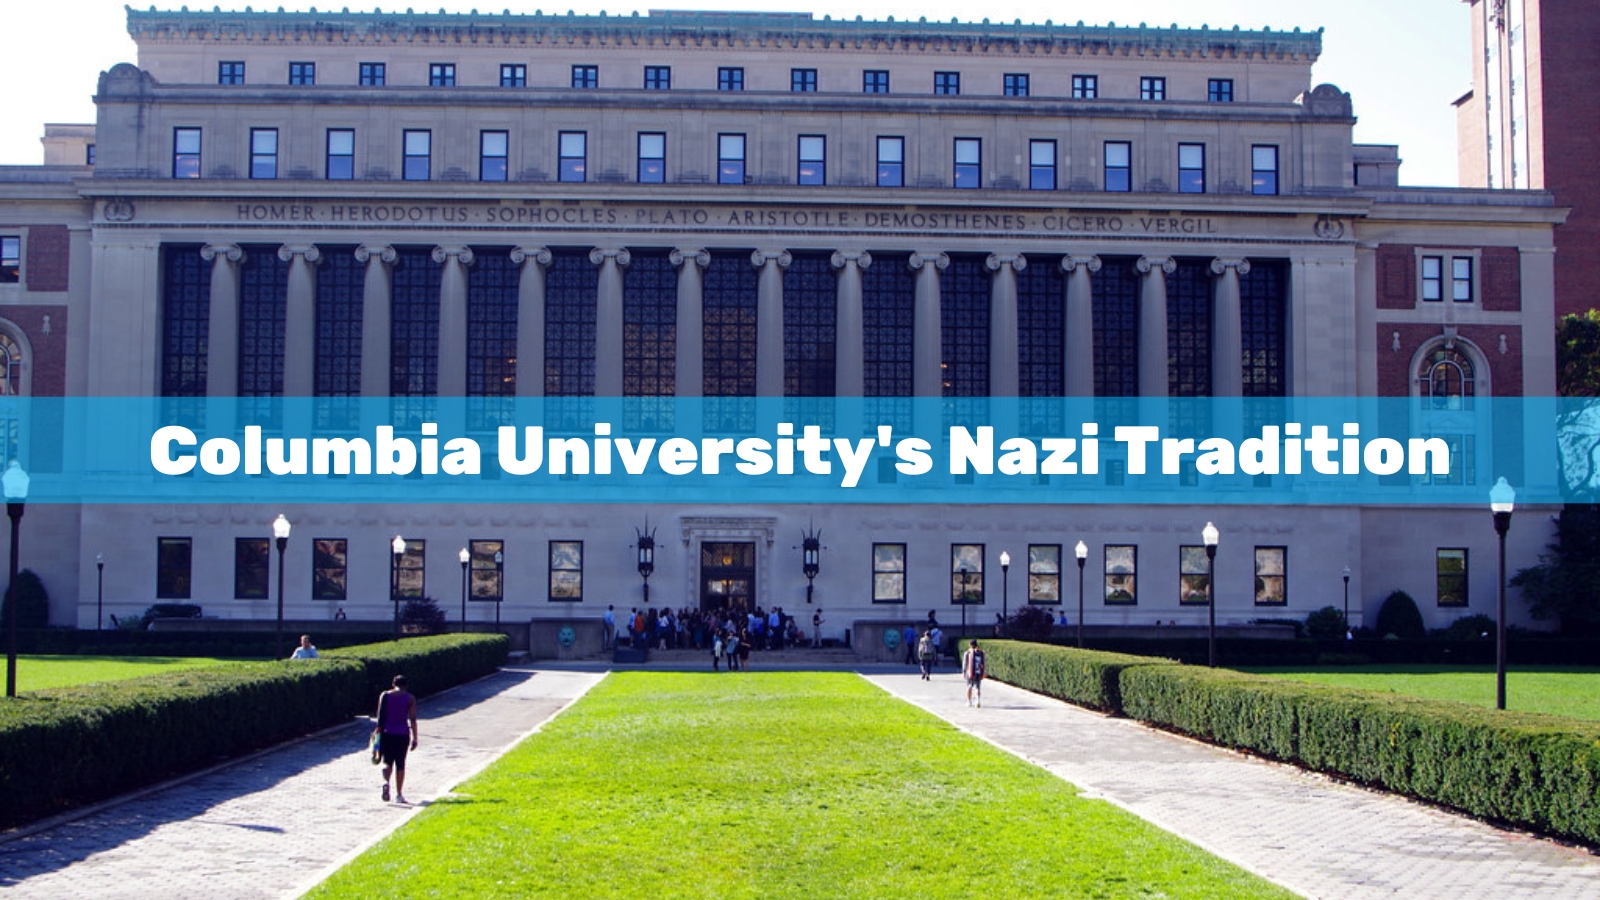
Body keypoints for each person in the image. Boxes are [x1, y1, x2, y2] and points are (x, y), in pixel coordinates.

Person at [373, 675, 419, 804]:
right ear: (406, 685)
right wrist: (415, 738)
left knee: (387, 762)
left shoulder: (385, 695)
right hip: (402, 734)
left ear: (393, 684)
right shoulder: (410, 698)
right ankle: (399, 794)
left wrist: (377, 733)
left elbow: (379, 716)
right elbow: (413, 719)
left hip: (387, 733)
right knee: (400, 763)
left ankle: (386, 782)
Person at [962, 639, 987, 707]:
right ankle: (978, 701)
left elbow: (965, 663)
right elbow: (984, 663)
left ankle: (969, 701)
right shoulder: (981, 653)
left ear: (970, 645)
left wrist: (964, 672)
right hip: (978, 672)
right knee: (977, 687)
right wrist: (984, 672)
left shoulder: (967, 653)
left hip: (970, 673)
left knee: (969, 686)